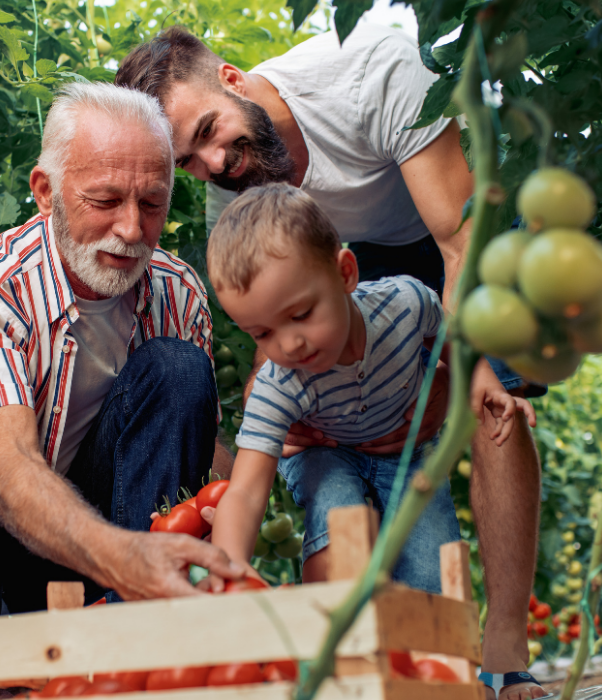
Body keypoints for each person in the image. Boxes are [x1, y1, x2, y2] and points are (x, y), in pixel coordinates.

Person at [117, 24, 545, 700]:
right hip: (341, 255)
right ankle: (376, 653)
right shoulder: (236, 186)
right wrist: (246, 468)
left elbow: (459, 250)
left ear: (231, 77)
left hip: (455, 220)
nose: (214, 164)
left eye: (208, 132)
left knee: (493, 401)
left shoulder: (372, 72)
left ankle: (506, 647)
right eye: (189, 163)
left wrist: (466, 374)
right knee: (322, 412)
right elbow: (267, 330)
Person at [0, 83, 243, 640]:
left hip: (114, 541)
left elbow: (196, 454)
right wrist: (126, 556)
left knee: (178, 368)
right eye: (105, 201)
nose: (132, 229)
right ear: (45, 191)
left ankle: (139, 634)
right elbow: (10, 470)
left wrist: (263, 456)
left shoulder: (177, 291)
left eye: (152, 203)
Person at [206, 183, 522, 592]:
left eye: (301, 314)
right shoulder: (278, 385)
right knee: (338, 523)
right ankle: (331, 631)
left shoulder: (405, 303)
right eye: (262, 333)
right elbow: (246, 493)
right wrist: (229, 568)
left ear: (345, 274)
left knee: (432, 572)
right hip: (325, 453)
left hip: (403, 452)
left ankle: (435, 653)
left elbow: (450, 341)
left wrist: (484, 381)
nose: (289, 344)